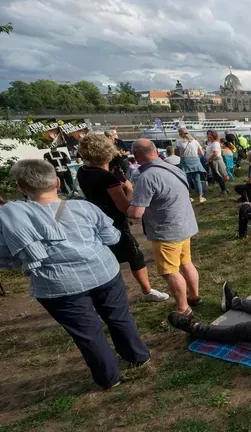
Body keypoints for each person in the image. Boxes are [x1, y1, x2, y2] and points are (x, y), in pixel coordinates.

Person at [0, 159, 149, 389]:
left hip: (57, 285)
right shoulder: (85, 207)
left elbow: (7, 257)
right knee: (119, 317)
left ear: (21, 187)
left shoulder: (14, 220)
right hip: (103, 272)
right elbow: (112, 238)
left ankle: (109, 378)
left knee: (88, 334)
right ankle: (138, 356)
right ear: (58, 182)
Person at [76, 134, 169, 302]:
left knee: (107, 257)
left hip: (95, 218)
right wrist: (129, 189)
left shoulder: (83, 171)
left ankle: (106, 294)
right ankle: (147, 291)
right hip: (114, 221)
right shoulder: (107, 178)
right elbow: (125, 207)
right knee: (134, 255)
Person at [127, 139, 201, 316]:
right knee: (186, 262)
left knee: (170, 271)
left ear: (137, 156)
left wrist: (128, 194)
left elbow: (136, 213)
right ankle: (194, 296)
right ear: (154, 150)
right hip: (184, 224)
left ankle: (183, 308)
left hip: (167, 231)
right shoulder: (173, 168)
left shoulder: (146, 177)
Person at [175, 127, 207, 203]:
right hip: (196, 161)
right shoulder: (195, 141)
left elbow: (177, 154)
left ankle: (189, 197)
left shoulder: (178, 142)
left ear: (180, 134)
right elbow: (202, 153)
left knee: (187, 181)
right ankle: (200, 197)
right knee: (197, 180)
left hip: (185, 161)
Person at [205, 130, 230, 196]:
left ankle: (224, 191)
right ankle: (225, 189)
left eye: (210, 134)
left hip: (216, 161)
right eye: (208, 134)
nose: (209, 136)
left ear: (214, 135)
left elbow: (215, 153)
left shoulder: (215, 143)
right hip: (213, 161)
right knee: (216, 176)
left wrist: (209, 159)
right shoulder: (210, 143)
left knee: (218, 176)